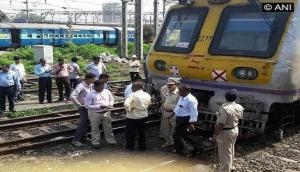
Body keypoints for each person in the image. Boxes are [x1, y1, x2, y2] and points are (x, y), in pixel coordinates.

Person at [211, 89, 244, 172]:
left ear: (225, 97)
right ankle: (231, 166)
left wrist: (215, 135)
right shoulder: (239, 107)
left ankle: (225, 170)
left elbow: (221, 124)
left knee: (224, 152)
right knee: (230, 149)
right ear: (235, 98)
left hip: (225, 131)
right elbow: (240, 117)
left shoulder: (224, 108)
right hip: (234, 129)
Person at [85, 80, 116, 149]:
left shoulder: (107, 91)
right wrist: (99, 107)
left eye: (103, 86)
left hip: (106, 112)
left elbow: (111, 99)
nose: (102, 87)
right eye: (100, 86)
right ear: (95, 86)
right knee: (95, 128)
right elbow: (87, 106)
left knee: (108, 127)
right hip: (95, 113)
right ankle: (95, 142)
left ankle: (111, 141)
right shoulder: (90, 94)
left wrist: (110, 104)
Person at [124, 81, 151, 151]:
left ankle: (130, 147)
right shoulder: (147, 95)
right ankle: (142, 147)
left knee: (130, 133)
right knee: (142, 133)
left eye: (133, 87)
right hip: (143, 116)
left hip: (132, 117)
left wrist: (129, 110)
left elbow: (126, 104)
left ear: (136, 87)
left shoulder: (132, 95)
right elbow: (149, 104)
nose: (132, 88)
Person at [70, 73, 96, 147]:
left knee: (87, 122)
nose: (94, 80)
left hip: (88, 107)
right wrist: (78, 104)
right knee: (83, 123)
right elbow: (72, 96)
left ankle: (84, 137)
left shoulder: (90, 85)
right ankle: (75, 140)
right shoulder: (81, 86)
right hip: (83, 108)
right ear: (87, 79)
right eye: (93, 79)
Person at [173, 84, 198, 155]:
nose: (178, 92)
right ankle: (182, 149)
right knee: (182, 135)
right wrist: (172, 114)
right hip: (179, 119)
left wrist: (191, 124)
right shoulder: (182, 97)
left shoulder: (191, 100)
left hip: (185, 120)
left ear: (185, 91)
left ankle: (180, 151)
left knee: (176, 135)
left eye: (179, 90)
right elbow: (179, 107)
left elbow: (194, 113)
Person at [160, 77, 180, 148]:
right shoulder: (166, 91)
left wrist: (172, 112)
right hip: (166, 114)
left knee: (174, 131)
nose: (168, 86)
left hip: (174, 115)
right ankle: (169, 142)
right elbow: (164, 101)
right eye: (168, 85)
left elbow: (180, 106)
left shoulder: (179, 93)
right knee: (166, 130)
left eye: (171, 85)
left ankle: (176, 146)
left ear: (176, 84)